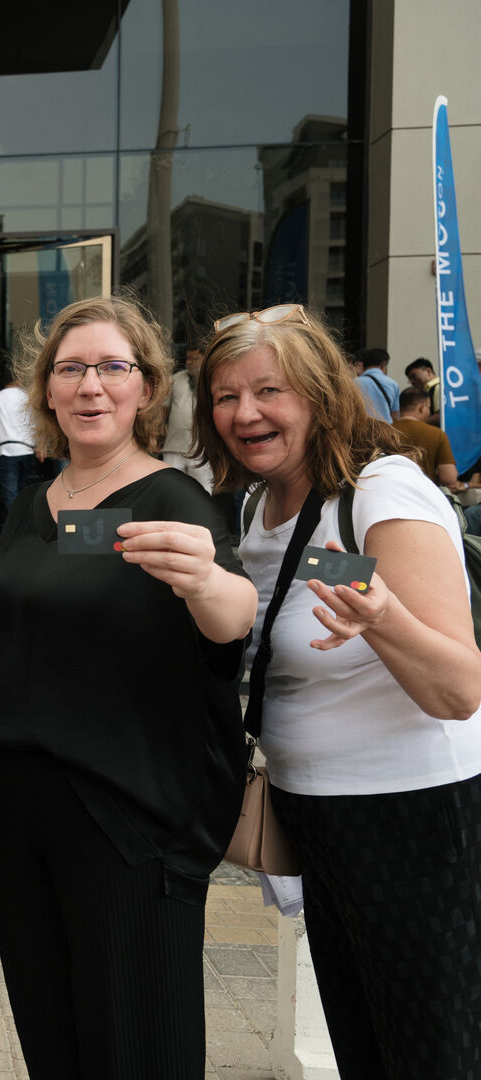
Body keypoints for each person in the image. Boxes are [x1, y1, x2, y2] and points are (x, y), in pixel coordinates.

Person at [0, 295, 255, 1078]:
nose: (90, 386)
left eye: (111, 368)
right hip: (26, 819)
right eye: (70, 369)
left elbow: (229, 617)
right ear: (46, 392)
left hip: (128, 821)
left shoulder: (172, 499)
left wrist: (209, 585)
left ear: (145, 388)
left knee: (135, 1048)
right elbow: (20, 651)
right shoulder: (35, 504)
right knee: (52, 1045)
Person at [198, 303, 481, 1079]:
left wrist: (383, 619)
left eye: (269, 390)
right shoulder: (261, 505)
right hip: (316, 820)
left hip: (409, 820)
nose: (245, 413)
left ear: (321, 395)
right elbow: (297, 604)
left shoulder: (379, 493)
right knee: (363, 1047)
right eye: (225, 395)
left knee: (431, 1054)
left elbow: (459, 689)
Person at [0, 368, 38, 526]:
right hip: (28, 450)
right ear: (19, 379)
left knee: (9, 494)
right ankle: (25, 526)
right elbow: (38, 423)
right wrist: (39, 445)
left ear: (2, 381)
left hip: (8, 452)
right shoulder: (28, 397)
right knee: (23, 492)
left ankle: (19, 528)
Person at [161, 344, 213, 491]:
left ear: (204, 359)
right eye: (188, 358)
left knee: (202, 492)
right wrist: (158, 434)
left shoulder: (212, 379)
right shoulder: (175, 379)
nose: (189, 362)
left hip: (202, 449)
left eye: (194, 359)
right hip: (174, 447)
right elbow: (164, 409)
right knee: (170, 490)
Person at [392, 386, 461, 490]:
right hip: (425, 493)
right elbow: (449, 478)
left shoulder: (384, 432)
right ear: (422, 407)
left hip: (392, 492)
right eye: (429, 408)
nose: (429, 412)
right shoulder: (437, 434)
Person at [356, 347, 399, 422]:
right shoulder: (393, 384)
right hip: (386, 427)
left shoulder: (354, 383)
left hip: (361, 426)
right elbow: (395, 415)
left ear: (363, 364)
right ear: (383, 365)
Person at [407, 356, 441, 425]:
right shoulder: (425, 391)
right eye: (409, 379)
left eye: (414, 376)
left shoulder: (439, 387)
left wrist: (416, 424)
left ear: (428, 371)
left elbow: (441, 416)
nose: (412, 382)